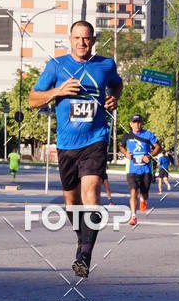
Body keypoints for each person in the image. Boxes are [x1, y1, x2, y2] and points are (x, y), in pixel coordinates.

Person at [28, 20, 122, 279]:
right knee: (72, 202)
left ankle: (85, 254)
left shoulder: (105, 64)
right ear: (70, 40)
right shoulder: (56, 66)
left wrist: (114, 98)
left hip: (96, 139)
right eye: (77, 38)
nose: (82, 42)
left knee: (91, 188)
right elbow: (32, 98)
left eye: (87, 38)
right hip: (67, 144)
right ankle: (82, 239)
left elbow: (117, 84)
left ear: (93, 41)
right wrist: (57, 91)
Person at [119, 115, 160, 226]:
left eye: (138, 122)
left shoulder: (148, 134)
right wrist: (126, 153)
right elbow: (121, 147)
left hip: (146, 169)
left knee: (144, 193)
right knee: (133, 191)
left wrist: (150, 156)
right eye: (134, 122)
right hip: (132, 169)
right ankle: (133, 216)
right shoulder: (127, 136)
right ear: (130, 124)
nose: (136, 124)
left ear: (141, 123)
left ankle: (143, 198)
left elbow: (158, 147)